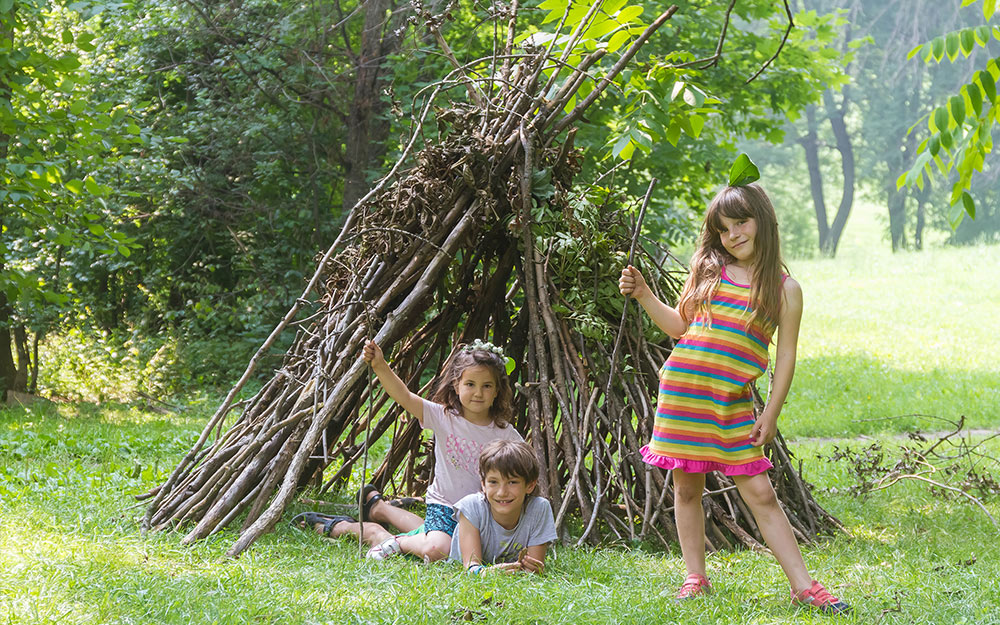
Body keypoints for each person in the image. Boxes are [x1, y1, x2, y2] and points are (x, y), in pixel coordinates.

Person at [618, 183, 850, 615]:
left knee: (760, 492)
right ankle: (695, 577)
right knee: (686, 488)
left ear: (763, 220)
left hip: (730, 403)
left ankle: (805, 587)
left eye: (741, 222)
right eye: (723, 229)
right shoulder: (707, 273)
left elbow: (786, 356)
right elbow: (678, 328)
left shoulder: (784, 289)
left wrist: (773, 412)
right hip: (683, 396)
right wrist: (644, 293)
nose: (733, 234)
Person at [292, 338, 523, 563]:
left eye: (487, 386)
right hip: (444, 506)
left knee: (461, 546)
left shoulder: (506, 434)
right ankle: (376, 534)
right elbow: (403, 396)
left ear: (497, 391)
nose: (478, 393)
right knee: (437, 548)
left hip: (481, 516)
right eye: (470, 384)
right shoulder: (444, 418)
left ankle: (378, 509)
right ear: (456, 385)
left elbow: (525, 473)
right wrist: (380, 366)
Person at [450, 440, 558, 575]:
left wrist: (533, 569)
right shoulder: (471, 507)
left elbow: (533, 569)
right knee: (435, 549)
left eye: (512, 482)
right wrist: (486, 573)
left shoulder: (539, 509)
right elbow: (471, 568)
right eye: (493, 482)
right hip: (460, 535)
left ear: (530, 485)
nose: (502, 492)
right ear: (483, 484)